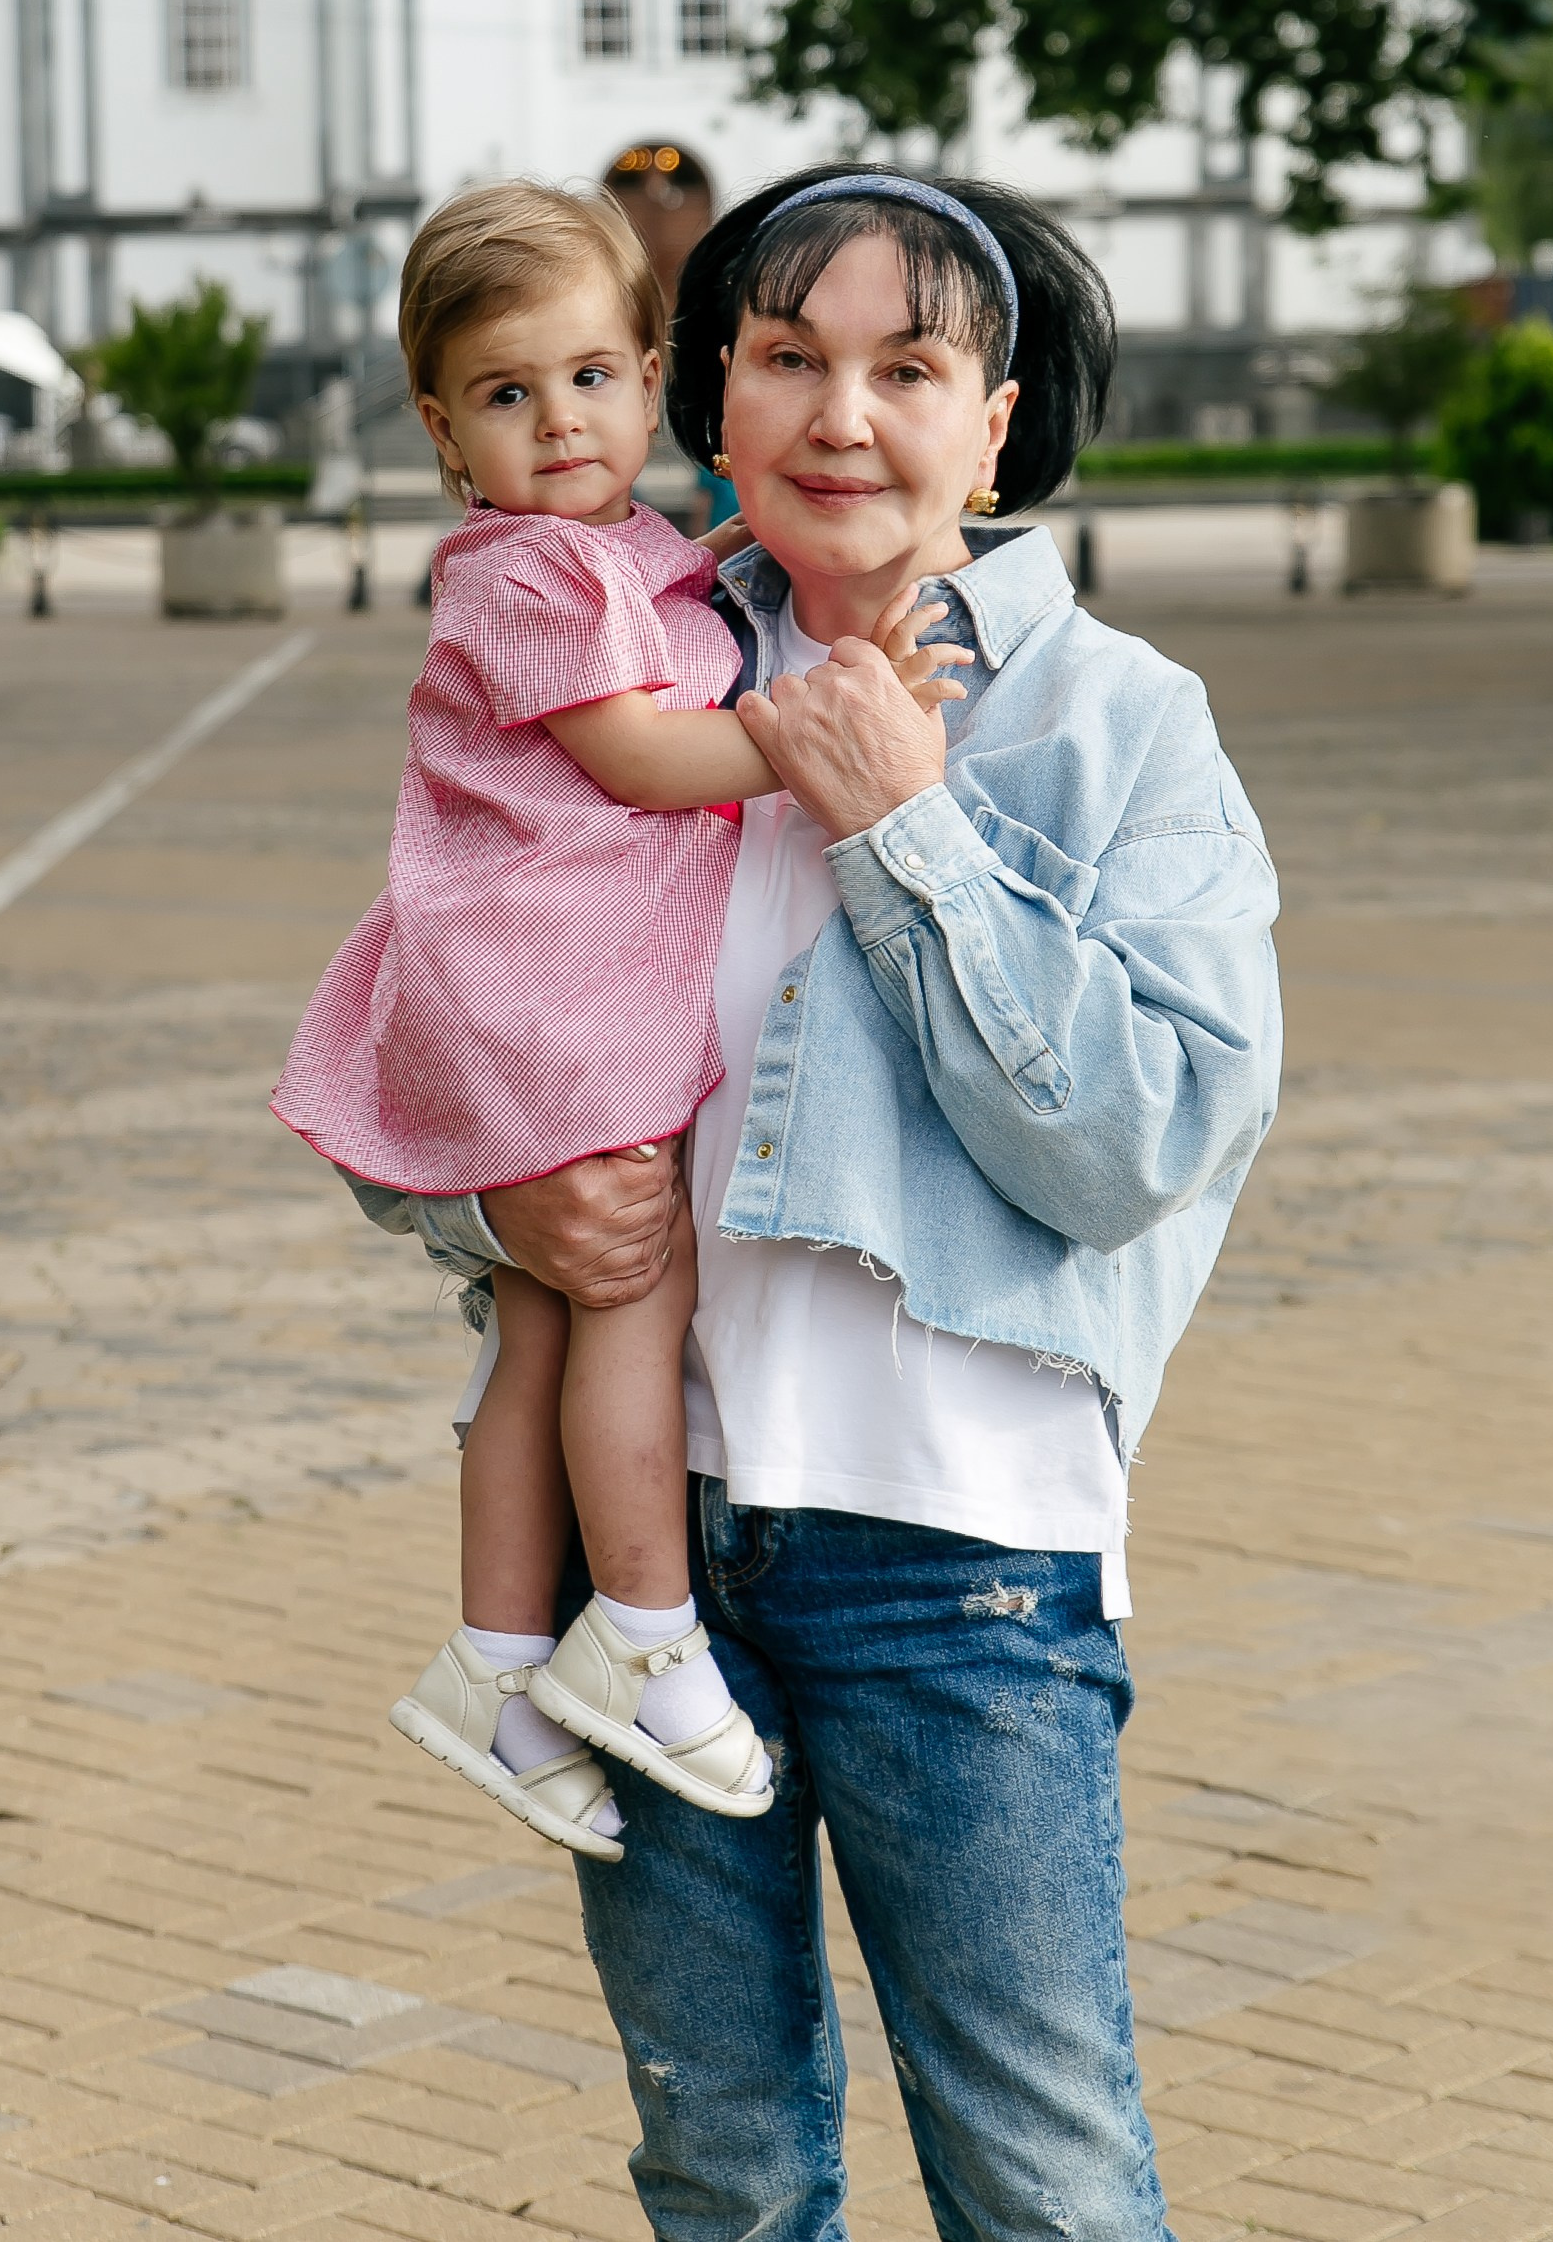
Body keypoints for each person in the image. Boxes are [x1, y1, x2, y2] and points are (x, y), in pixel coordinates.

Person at [346, 165, 1283, 2242]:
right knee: (726, 2168)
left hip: (958, 1563)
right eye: (786, 358)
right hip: (644, 1571)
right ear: (708, 392)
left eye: (907, 369)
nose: (841, 417)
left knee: (1037, 2174)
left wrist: (904, 822)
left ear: (992, 418)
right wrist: (503, 1225)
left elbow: (1138, 1147)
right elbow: (425, 1038)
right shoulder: (616, 669)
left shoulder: (1116, 726)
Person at [272, 181, 960, 1866]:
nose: (560, 422)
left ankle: (499, 1663)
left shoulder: (616, 554)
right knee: (633, 1289)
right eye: (507, 395)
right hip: (544, 989)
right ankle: (642, 1637)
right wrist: (828, 723)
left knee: (541, 1323)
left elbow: (679, 597)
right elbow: (649, 758)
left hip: (531, 975)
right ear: (444, 431)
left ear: (653, 383)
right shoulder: (524, 574)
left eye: (589, 379)